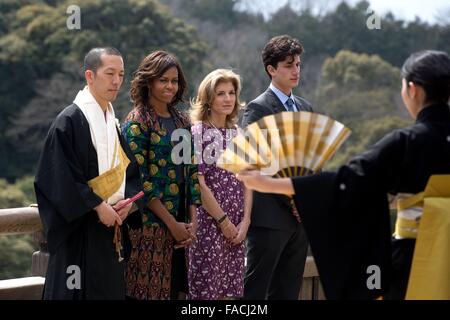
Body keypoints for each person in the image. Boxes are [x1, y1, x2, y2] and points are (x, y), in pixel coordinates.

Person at [237, 50, 450, 300]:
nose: (296, 69)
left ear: (412, 89)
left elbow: (345, 183)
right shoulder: (260, 107)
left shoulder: (406, 142)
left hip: (415, 255)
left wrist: (268, 184)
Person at [34, 47, 143, 300]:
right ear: (90, 76)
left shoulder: (112, 123)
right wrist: (96, 205)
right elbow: (55, 178)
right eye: (109, 73)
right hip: (79, 234)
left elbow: (131, 172)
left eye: (121, 74)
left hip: (110, 232)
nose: (116, 81)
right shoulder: (69, 121)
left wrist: (128, 203)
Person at [122, 50, 201, 300]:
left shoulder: (182, 121)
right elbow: (141, 182)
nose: (170, 86)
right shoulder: (137, 122)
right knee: (148, 292)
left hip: (181, 224)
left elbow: (191, 171)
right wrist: (172, 225)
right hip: (150, 225)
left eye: (174, 81)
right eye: (163, 80)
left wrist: (192, 223)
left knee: (177, 292)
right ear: (149, 82)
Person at [240, 34, 313, 299]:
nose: (296, 70)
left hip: (300, 220)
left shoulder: (305, 107)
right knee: (257, 290)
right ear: (271, 69)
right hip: (269, 216)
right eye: (288, 65)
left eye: (298, 64)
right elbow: (253, 161)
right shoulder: (258, 108)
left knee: (289, 290)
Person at [188, 69, 253, 299]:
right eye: (220, 93)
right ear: (208, 98)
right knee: (205, 295)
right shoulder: (197, 132)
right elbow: (199, 183)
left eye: (231, 93)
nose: (227, 98)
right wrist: (224, 222)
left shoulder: (239, 133)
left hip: (237, 230)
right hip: (208, 227)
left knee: (229, 295)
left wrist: (245, 222)